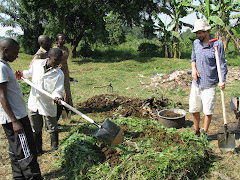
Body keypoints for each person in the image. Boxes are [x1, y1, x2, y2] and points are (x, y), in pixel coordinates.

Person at [0, 38, 42, 179]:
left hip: (14, 117)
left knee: (16, 152)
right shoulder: (1, 67)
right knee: (26, 153)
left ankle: (19, 177)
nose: (17, 56)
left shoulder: (4, 65)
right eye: (15, 53)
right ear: (6, 50)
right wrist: (15, 121)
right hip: (16, 118)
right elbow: (2, 96)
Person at [19, 48, 64, 154]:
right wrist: (21, 74)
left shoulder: (59, 74)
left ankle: (55, 149)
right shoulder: (36, 64)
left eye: (60, 61)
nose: (58, 63)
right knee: (36, 127)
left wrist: (57, 96)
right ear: (49, 58)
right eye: (56, 60)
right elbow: (29, 73)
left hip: (48, 103)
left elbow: (58, 89)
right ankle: (38, 150)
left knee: (52, 127)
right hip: (34, 101)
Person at [189, 19, 228, 137]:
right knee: (194, 109)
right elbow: (193, 59)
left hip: (209, 83)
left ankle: (205, 133)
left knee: (207, 111)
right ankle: (197, 131)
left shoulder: (217, 45)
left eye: (200, 32)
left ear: (207, 31)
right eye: (197, 33)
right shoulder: (196, 43)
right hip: (196, 83)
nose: (198, 35)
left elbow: (221, 65)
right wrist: (193, 69)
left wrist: (222, 80)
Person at [53, 34, 73, 120]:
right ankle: (60, 109)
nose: (63, 41)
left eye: (64, 39)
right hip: (57, 71)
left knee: (67, 89)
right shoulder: (54, 49)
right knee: (59, 89)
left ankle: (68, 108)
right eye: (61, 39)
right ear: (57, 41)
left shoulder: (66, 49)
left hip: (65, 70)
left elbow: (66, 57)